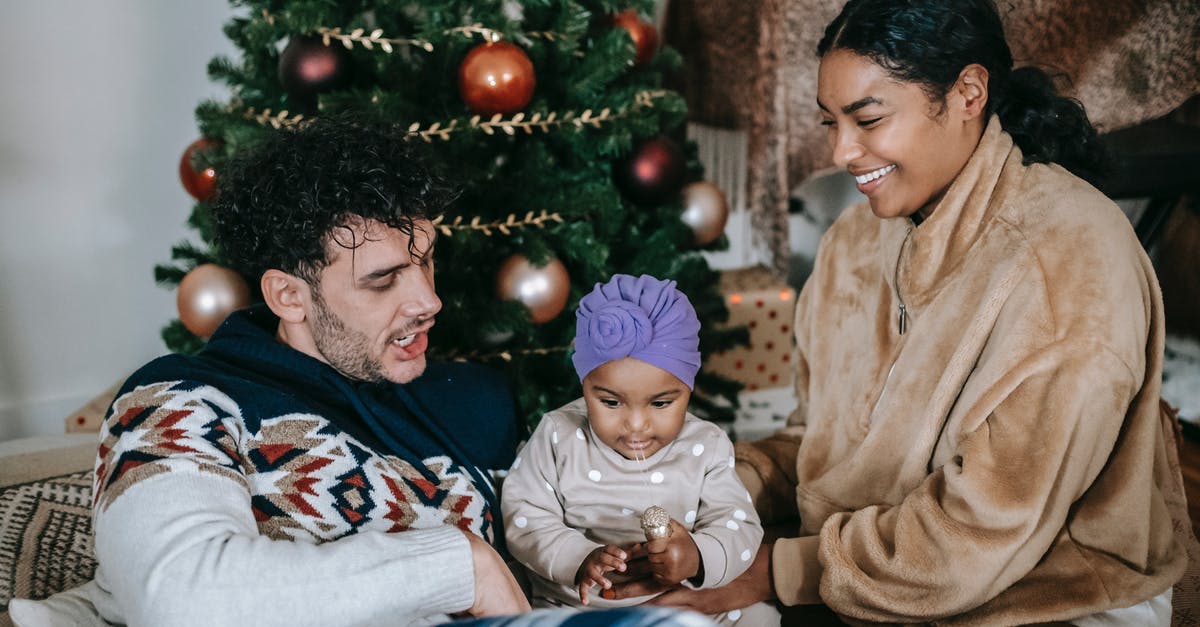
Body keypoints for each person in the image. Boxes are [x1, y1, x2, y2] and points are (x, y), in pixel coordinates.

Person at [602, 0, 1190, 624]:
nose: (840, 153)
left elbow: (976, 540)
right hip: (861, 568)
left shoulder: (1069, 265)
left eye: (868, 118)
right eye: (830, 122)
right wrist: (706, 496)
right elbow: (817, 441)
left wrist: (771, 570)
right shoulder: (853, 241)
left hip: (1049, 596)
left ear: (967, 93)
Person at [11, 115, 533, 626]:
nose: (428, 300)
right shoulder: (177, 400)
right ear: (288, 295)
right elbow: (183, 600)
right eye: (383, 280)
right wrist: (458, 565)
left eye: (426, 261)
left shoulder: (472, 401)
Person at [501, 274, 774, 626]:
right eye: (611, 402)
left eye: (660, 403)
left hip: (685, 608)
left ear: (688, 389)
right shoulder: (558, 434)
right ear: (585, 385)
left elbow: (739, 525)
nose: (635, 425)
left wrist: (697, 556)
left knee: (760, 619)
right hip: (579, 611)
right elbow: (525, 515)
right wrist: (579, 558)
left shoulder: (705, 446)